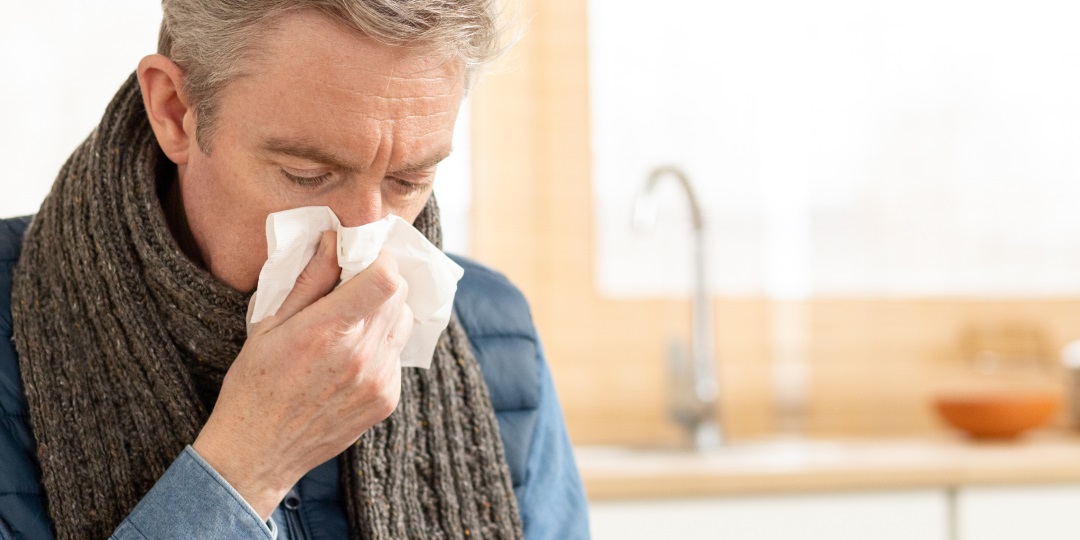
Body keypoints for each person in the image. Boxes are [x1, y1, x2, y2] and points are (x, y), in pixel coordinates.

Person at [0, 1, 589, 539]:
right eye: (308, 175)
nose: (363, 239)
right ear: (175, 112)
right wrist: (251, 461)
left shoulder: (497, 336)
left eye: (409, 181)